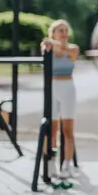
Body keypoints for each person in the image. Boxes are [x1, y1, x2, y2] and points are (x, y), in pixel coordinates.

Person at [40, 19, 80, 178]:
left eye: (65, 31)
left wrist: (56, 45)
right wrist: (51, 45)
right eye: (60, 31)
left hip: (67, 88)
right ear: (54, 32)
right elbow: (45, 49)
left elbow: (70, 52)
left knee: (67, 129)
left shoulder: (73, 48)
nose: (63, 34)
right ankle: (50, 162)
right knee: (51, 129)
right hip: (52, 88)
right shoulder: (47, 46)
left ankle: (67, 163)